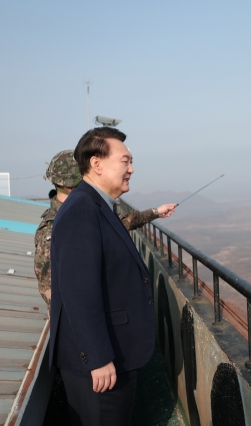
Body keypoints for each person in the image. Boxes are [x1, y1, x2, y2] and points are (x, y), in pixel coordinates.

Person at [49, 128, 174, 426]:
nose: (131, 169)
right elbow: (79, 293)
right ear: (97, 164)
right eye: (125, 161)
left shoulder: (95, 206)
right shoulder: (82, 211)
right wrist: (99, 358)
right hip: (100, 364)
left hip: (111, 354)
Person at [34, 149, 175, 311]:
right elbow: (52, 292)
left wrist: (155, 212)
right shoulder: (53, 231)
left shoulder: (82, 214)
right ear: (72, 186)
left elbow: (118, 222)